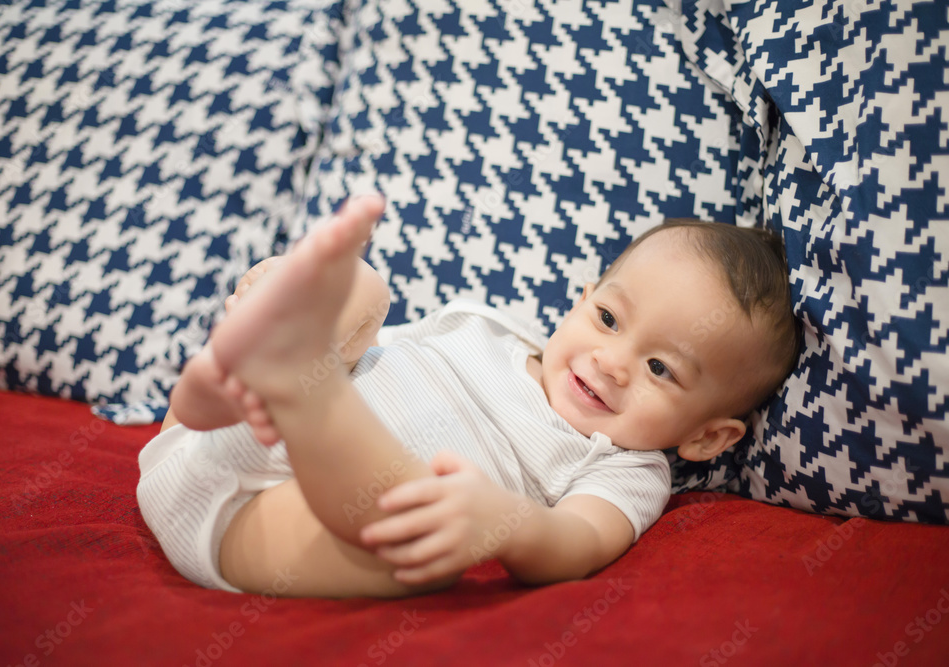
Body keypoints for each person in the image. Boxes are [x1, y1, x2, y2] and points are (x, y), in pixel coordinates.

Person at [137, 194, 800, 598]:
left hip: (259, 524)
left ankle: (290, 387)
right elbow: (365, 349)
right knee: (366, 294)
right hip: (203, 434)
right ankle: (268, 333)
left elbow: (575, 541)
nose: (611, 361)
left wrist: (505, 522)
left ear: (709, 436)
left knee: (411, 549)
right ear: (581, 300)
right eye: (608, 319)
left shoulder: (626, 468)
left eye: (660, 366)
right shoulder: (487, 323)